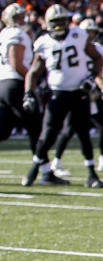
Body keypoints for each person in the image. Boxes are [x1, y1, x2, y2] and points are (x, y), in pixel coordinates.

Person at [22, 4, 103, 188]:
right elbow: (33, 72)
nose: (59, 26)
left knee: (83, 132)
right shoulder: (43, 42)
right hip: (57, 92)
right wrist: (28, 93)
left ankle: (91, 174)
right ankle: (34, 169)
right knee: (49, 133)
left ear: (67, 22)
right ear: (48, 24)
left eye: (61, 22)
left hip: (79, 92)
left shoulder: (78, 35)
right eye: (55, 22)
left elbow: (97, 58)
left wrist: (91, 78)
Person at [0, 3, 40, 152]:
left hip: (3, 83)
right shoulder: (17, 33)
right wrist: (31, 79)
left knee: (3, 131)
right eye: (18, 17)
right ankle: (43, 171)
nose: (22, 20)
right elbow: (15, 63)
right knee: (36, 127)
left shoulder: (4, 33)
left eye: (23, 16)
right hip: (15, 83)